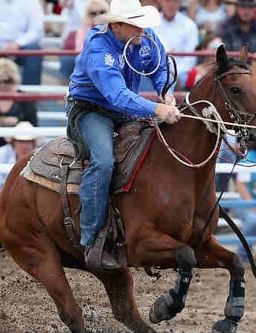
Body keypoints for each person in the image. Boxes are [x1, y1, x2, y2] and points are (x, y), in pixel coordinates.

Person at [67, 0, 181, 270]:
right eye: (136, 24)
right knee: (103, 160)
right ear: (116, 25)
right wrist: (157, 108)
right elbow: (115, 95)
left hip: (127, 110)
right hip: (91, 111)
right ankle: (91, 237)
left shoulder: (145, 37)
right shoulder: (98, 48)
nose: (143, 29)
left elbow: (161, 65)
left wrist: (165, 90)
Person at [0, 58, 38, 157]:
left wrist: (18, 123)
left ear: (14, 80)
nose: (3, 84)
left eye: (8, 81)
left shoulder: (25, 100)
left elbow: (33, 126)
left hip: (19, 149)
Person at [0, 0, 45, 85]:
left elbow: (37, 31)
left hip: (21, 47)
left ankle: (29, 96)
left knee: (35, 52)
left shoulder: (32, 3)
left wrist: (18, 44)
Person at [59, 0, 110, 85]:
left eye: (102, 12)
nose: (98, 16)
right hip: (90, 65)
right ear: (88, 15)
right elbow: (81, 52)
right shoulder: (82, 32)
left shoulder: (113, 31)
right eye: (93, 13)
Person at [152, 0, 199, 88]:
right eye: (167, 1)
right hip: (156, 71)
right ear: (161, 2)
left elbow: (191, 57)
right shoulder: (151, 23)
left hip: (182, 74)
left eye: (174, 1)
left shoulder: (190, 25)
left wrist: (174, 73)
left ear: (180, 3)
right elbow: (150, 53)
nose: (171, 5)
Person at [0, 121, 39, 196]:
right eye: (20, 141)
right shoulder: (0, 154)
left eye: (28, 141)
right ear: (13, 142)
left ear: (33, 144)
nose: (24, 146)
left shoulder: (39, 156)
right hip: (4, 200)